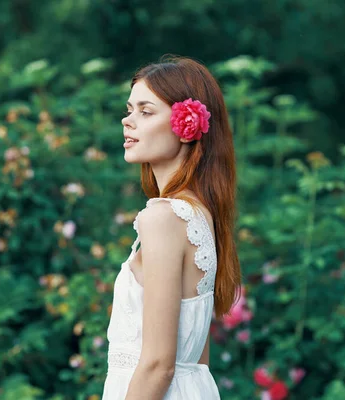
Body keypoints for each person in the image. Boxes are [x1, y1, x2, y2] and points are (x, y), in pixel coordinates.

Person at [102, 55, 242, 400]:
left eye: (146, 111)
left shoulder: (163, 218)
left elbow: (158, 365)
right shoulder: (199, 214)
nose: (127, 120)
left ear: (186, 125)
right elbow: (196, 360)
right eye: (129, 109)